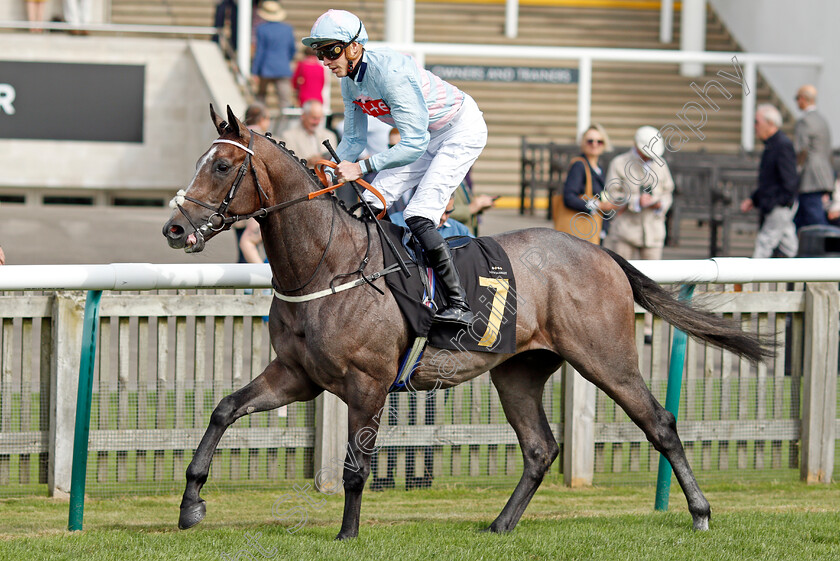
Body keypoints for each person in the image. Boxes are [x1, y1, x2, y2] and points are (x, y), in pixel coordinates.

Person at [303, 10, 488, 326]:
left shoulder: (390, 73)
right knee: (372, 201)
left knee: (419, 213)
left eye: (331, 50)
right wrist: (329, 171)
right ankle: (383, 283)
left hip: (459, 129)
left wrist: (362, 169)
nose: (325, 60)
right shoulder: (349, 81)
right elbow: (353, 140)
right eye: (320, 53)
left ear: (354, 47)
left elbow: (414, 144)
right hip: (427, 134)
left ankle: (460, 303)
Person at [603, 125, 674, 261]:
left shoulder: (661, 164)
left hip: (654, 233)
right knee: (623, 277)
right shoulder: (619, 163)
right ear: (636, 145)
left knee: (653, 278)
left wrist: (660, 204)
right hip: (625, 232)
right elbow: (612, 194)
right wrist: (635, 201)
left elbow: (668, 192)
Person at [740, 104, 799, 258]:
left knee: (764, 243)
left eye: (757, 122)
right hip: (776, 203)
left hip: (779, 205)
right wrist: (754, 199)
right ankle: (799, 278)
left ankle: (752, 281)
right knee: (789, 246)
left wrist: (776, 203)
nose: (755, 126)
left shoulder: (782, 145)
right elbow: (768, 180)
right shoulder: (772, 145)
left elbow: (790, 181)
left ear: (770, 123)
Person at [554, 123, 614, 244]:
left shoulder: (599, 168)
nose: (594, 144)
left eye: (599, 141)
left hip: (594, 232)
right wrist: (598, 205)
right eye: (590, 141)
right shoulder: (579, 166)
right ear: (582, 143)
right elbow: (569, 197)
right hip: (579, 235)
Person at [793, 84, 832, 229]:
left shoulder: (804, 121)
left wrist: (796, 170)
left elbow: (801, 150)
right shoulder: (822, 120)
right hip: (824, 174)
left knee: (814, 219)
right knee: (801, 219)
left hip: (810, 177)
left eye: (797, 98)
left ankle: (827, 250)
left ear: (803, 99)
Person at [251, 1, 295, 115]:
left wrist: (255, 71)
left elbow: (260, 51)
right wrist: (285, 60)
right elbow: (292, 49)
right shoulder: (287, 29)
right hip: (283, 67)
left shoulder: (262, 29)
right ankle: (285, 124)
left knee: (261, 97)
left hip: (266, 67)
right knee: (285, 101)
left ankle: (258, 119)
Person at [280, 99, 338, 165]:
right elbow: (288, 164)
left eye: (319, 118)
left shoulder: (330, 136)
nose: (317, 122)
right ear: (304, 116)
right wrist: (309, 162)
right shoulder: (288, 136)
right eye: (314, 118)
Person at [390, 195, 473, 238]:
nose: (443, 218)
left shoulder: (460, 230)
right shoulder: (394, 223)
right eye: (439, 212)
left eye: (448, 212)